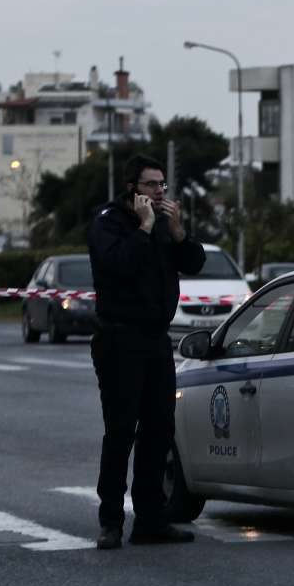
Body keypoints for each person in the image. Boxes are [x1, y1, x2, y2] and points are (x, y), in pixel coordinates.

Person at [89, 155, 206, 549]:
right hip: (120, 339)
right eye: (152, 185)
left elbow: (194, 262)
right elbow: (118, 265)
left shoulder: (162, 225)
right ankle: (110, 521)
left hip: (156, 340)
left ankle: (151, 520)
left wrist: (177, 231)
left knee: (159, 429)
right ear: (132, 189)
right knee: (121, 430)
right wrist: (144, 228)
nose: (159, 192)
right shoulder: (109, 222)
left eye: (162, 186)